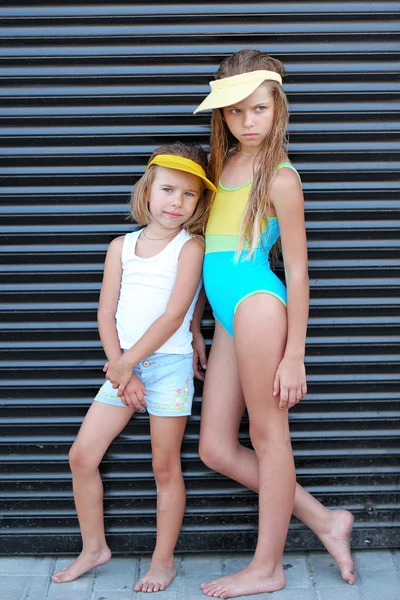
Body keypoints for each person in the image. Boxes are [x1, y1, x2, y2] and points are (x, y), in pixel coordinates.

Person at [191, 49, 355, 598]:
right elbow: (204, 252)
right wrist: (195, 324)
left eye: (258, 109)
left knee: (268, 436)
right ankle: (327, 521)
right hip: (225, 315)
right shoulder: (221, 164)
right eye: (236, 112)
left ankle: (268, 567)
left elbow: (302, 273)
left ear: (277, 106)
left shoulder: (281, 176)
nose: (247, 121)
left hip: (260, 308)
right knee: (215, 447)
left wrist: (294, 355)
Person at [51, 142, 216, 593]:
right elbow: (106, 313)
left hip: (169, 367)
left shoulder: (191, 247)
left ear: (200, 203)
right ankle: (94, 548)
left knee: (165, 468)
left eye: (189, 195)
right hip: (122, 367)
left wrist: (127, 366)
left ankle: (163, 562)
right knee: (81, 456)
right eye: (167, 189)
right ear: (147, 190)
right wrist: (121, 370)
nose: (175, 202)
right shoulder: (120, 247)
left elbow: (172, 315)